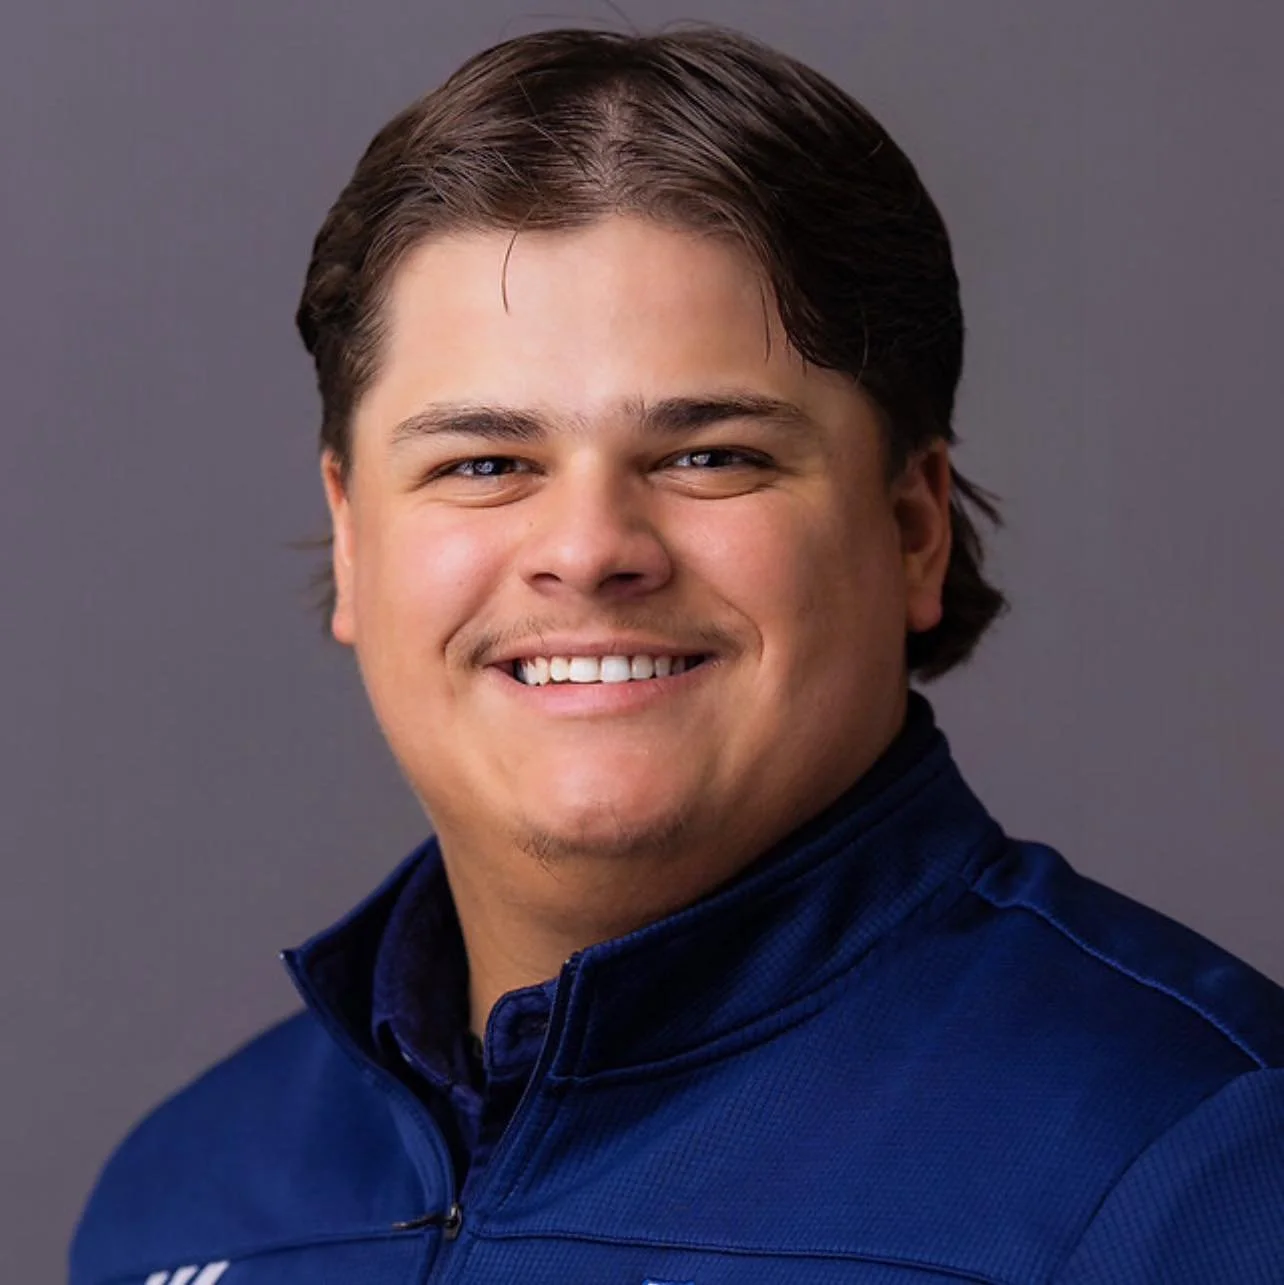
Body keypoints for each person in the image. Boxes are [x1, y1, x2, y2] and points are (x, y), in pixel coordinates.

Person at [71, 25, 1284, 1285]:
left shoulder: (1201, 1169)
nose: (589, 550)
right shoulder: (184, 1199)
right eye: (484, 464)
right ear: (353, 535)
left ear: (913, 528)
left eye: (712, 455)